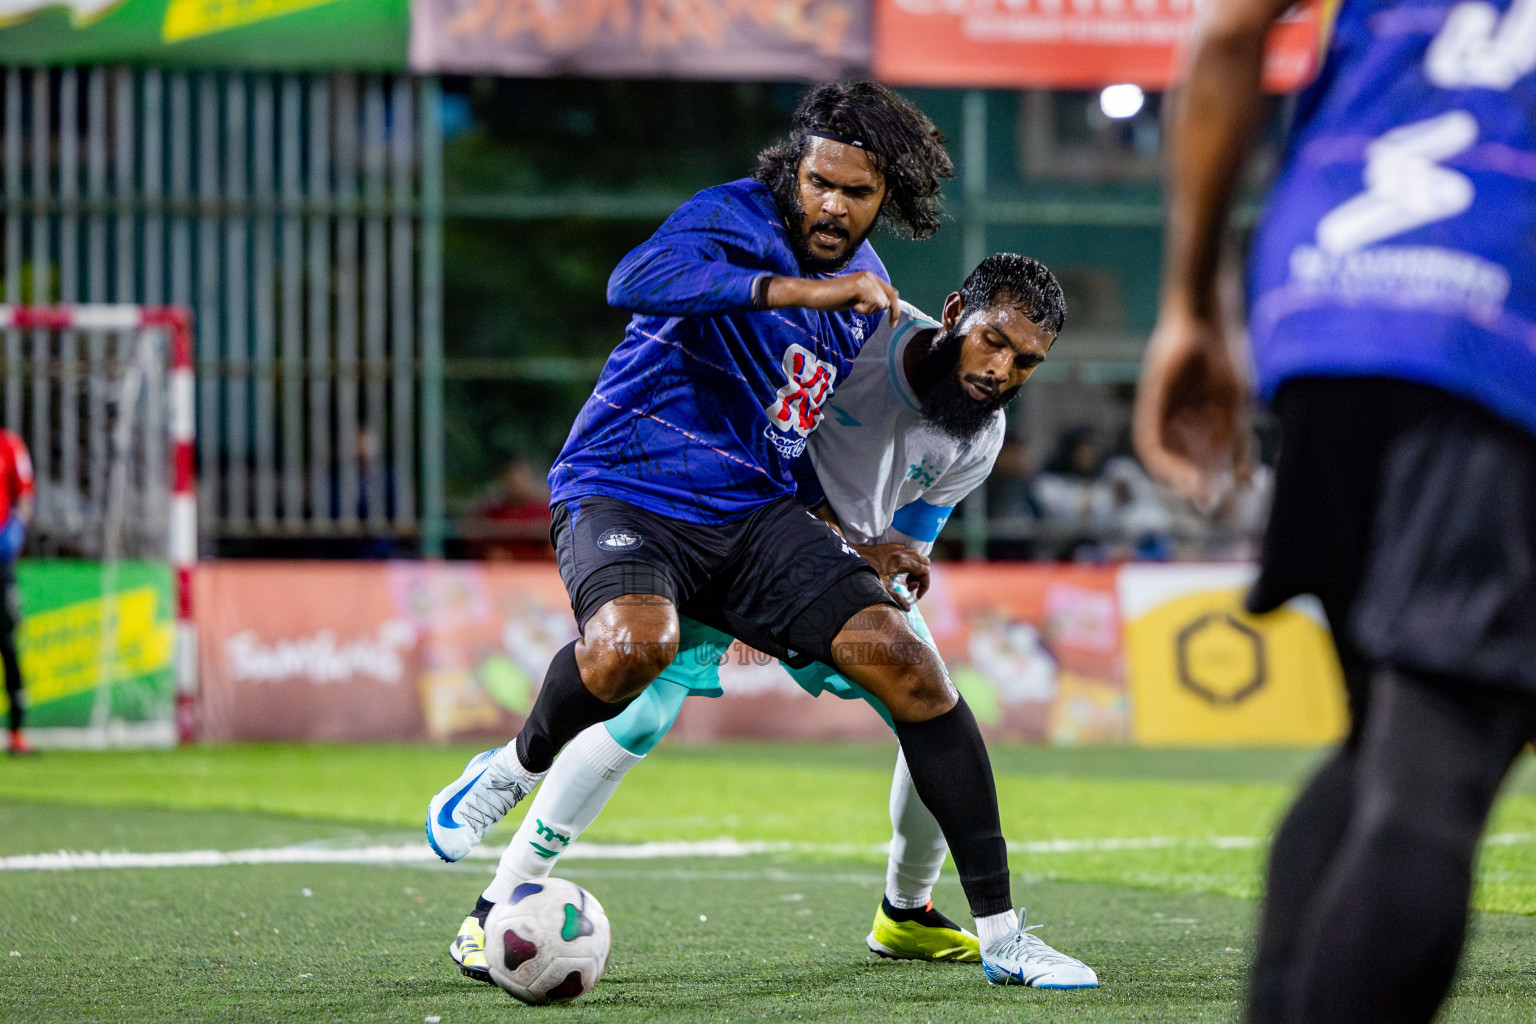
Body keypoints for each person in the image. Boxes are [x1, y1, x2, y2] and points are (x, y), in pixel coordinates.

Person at [425, 81, 1086, 988]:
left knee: (915, 673)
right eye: (820, 182)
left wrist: (866, 548)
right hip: (628, 487)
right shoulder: (733, 219)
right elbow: (636, 281)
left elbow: (799, 438)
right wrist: (804, 290)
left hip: (754, 519)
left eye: (856, 193)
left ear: (887, 198)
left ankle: (971, 926)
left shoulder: (888, 319)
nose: (832, 205)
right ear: (794, 171)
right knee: (634, 664)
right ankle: (505, 797)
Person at [1135, 0, 1536, 1020]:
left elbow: (1226, 34)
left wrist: (1190, 306)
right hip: (1495, 301)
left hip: (1322, 300)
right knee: (1441, 759)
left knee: (1383, 750)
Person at [0, 428, 34, 755]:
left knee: (7, 640)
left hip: (0, 562)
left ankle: (17, 732)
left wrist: (16, 531)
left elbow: (24, 496)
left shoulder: (9, 445)